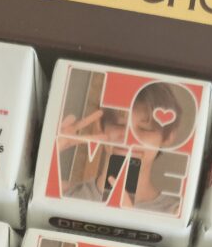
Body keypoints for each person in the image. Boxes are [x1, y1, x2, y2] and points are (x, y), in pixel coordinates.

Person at [59, 83, 187, 214]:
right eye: (119, 124)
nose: (129, 138)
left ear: (168, 137)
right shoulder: (62, 195)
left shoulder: (176, 214)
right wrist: (50, 154)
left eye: (145, 129)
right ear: (101, 126)